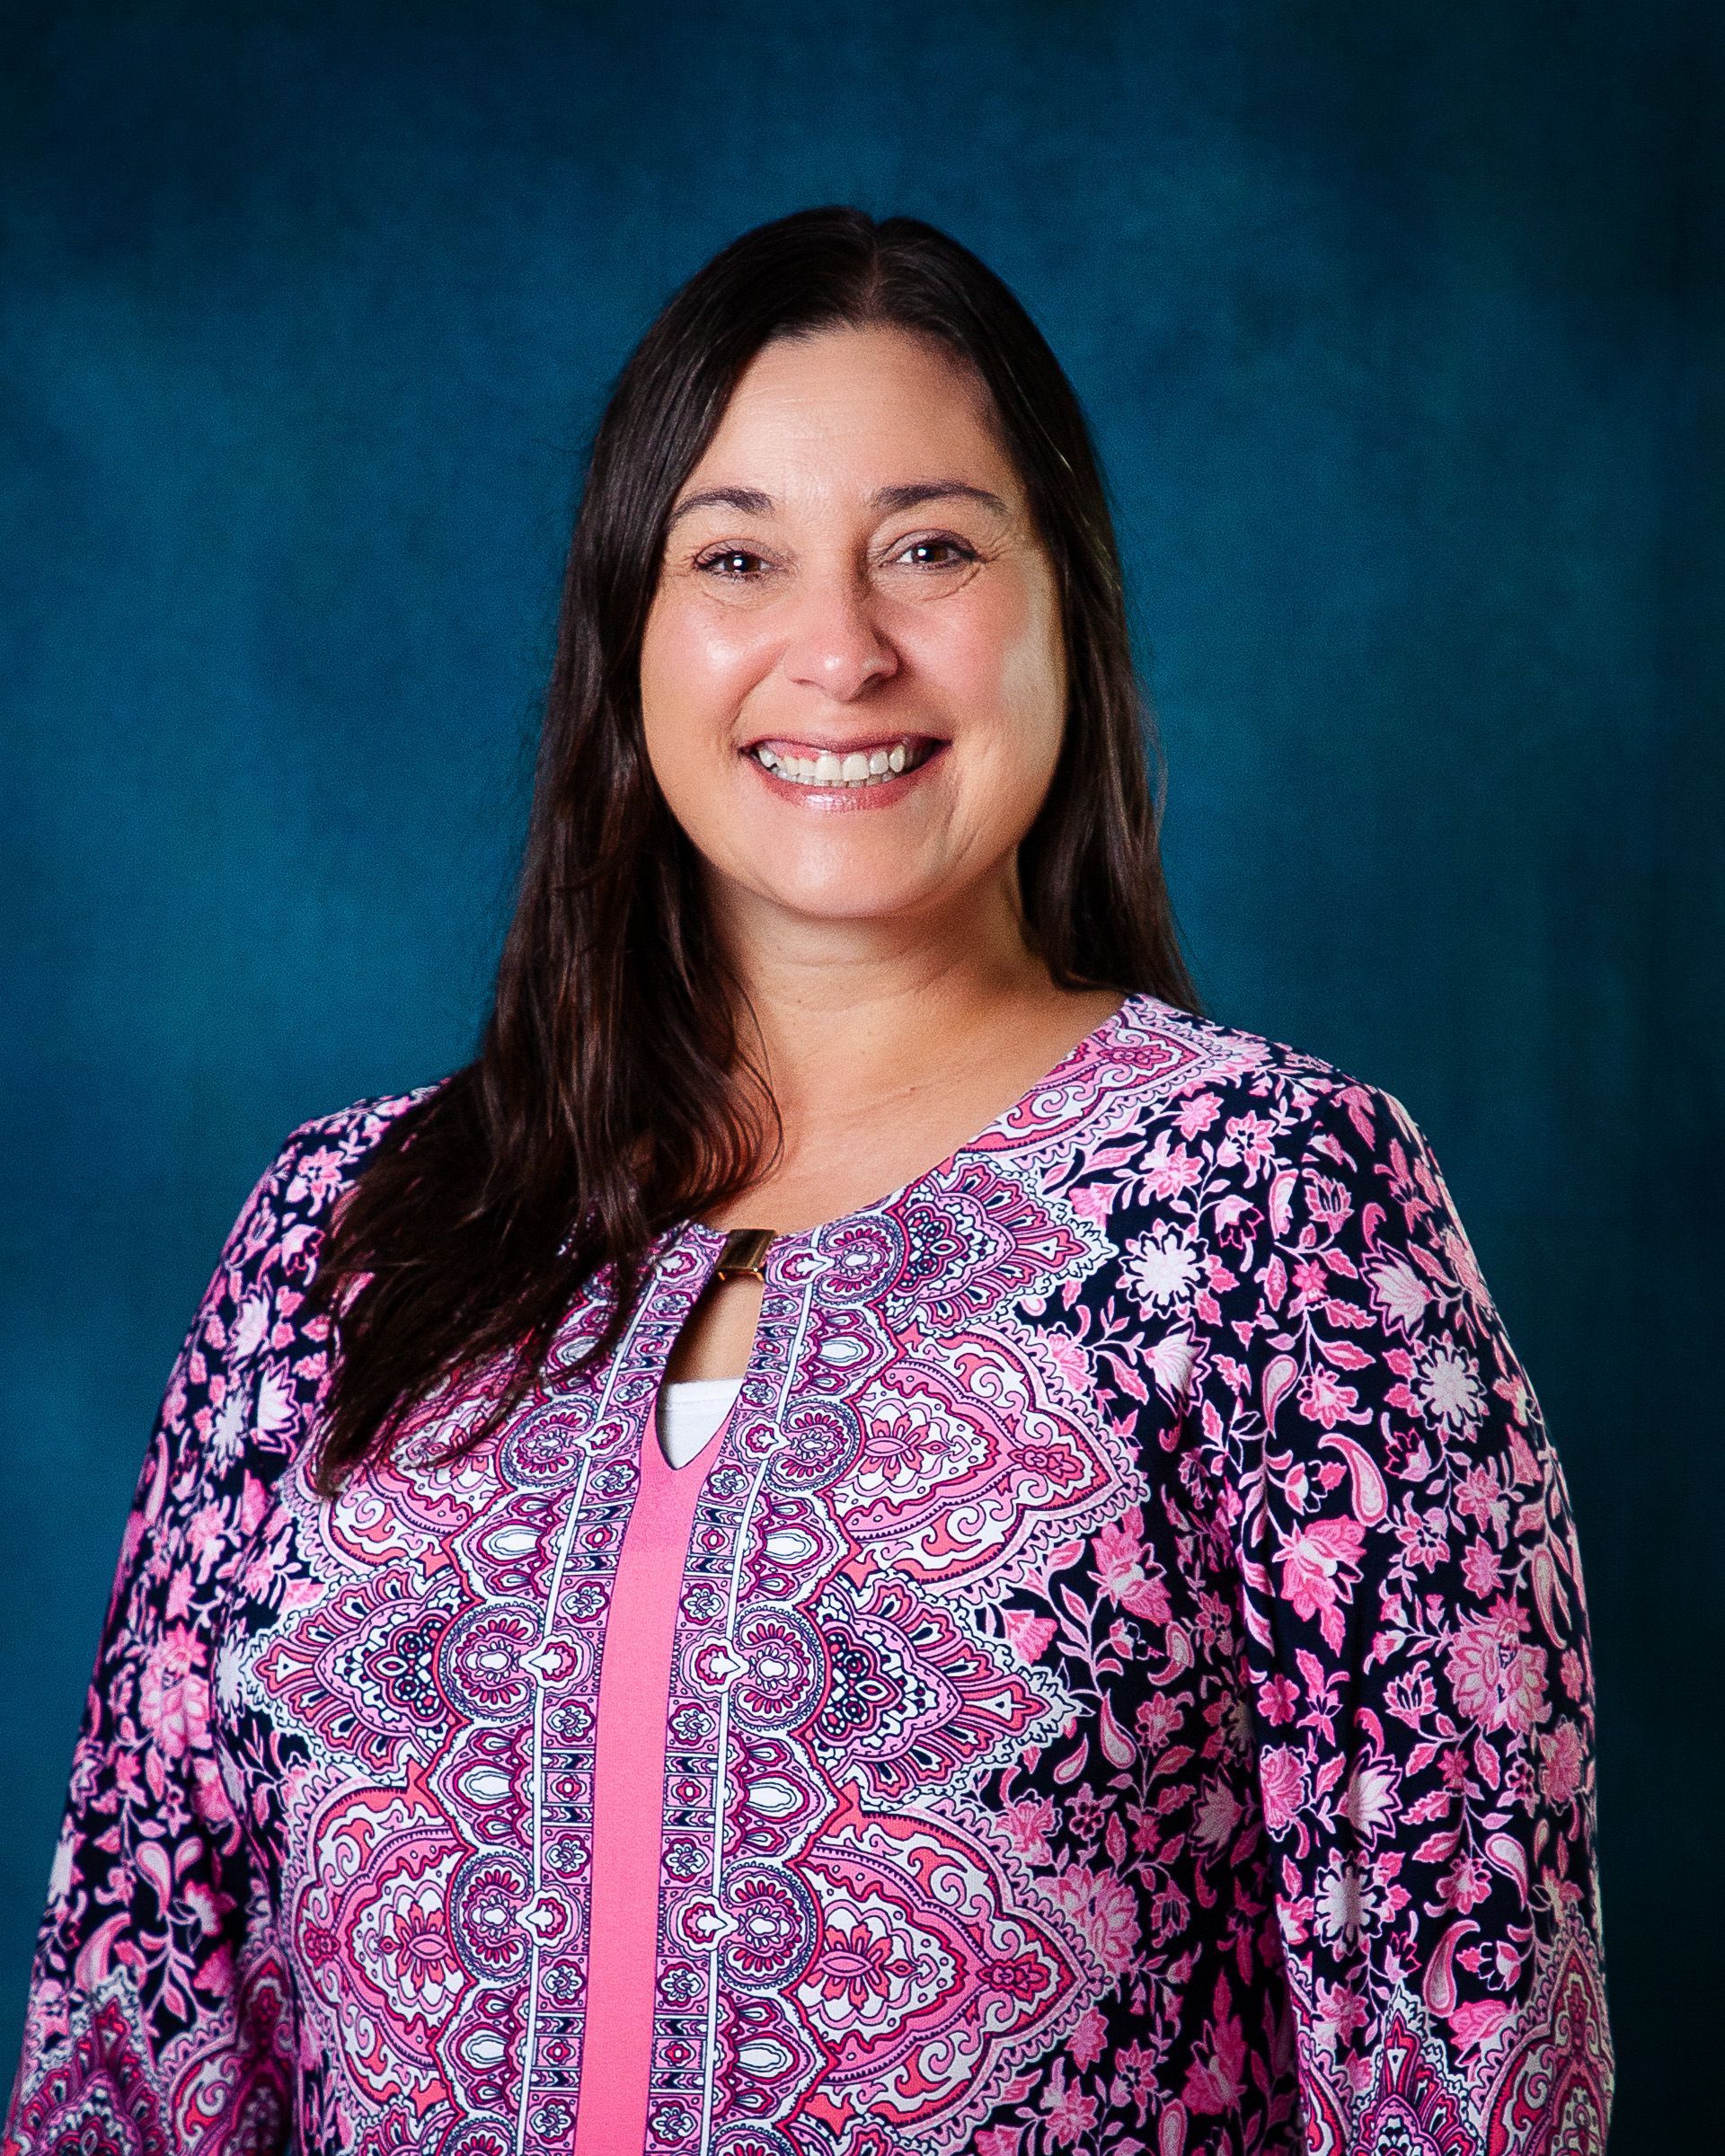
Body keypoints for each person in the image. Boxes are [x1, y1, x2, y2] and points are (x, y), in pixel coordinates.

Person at [6, 208, 1611, 2156]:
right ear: (631, 632)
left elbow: (1463, 2055)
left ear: (1066, 610)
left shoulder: (1274, 1208)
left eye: (931, 548)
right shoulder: (341, 1239)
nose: (838, 650)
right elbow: (142, 2021)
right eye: (738, 558)